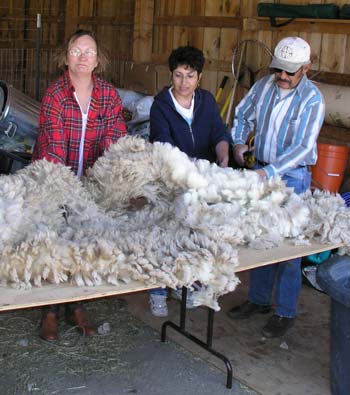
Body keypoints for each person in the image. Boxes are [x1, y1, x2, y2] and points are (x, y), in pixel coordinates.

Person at [32, 29, 127, 341]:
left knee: (84, 244)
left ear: (98, 60)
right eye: (76, 50)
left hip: (92, 183)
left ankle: (77, 306)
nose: (83, 56)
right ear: (66, 57)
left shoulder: (109, 95)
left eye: (89, 52)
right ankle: (49, 310)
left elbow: (116, 139)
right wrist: (67, 192)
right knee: (54, 242)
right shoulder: (55, 94)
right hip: (56, 180)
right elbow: (53, 148)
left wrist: (104, 179)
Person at [228, 37, 325, 338]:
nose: (282, 77)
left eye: (290, 72)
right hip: (261, 169)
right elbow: (243, 114)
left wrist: (268, 172)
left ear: (306, 68)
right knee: (261, 238)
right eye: (278, 70)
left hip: (292, 177)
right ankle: (258, 301)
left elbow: (302, 147)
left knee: (289, 248)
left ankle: (285, 311)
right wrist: (239, 142)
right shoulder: (264, 86)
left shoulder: (313, 100)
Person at [149, 45, 231, 317]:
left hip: (203, 178)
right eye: (178, 75)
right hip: (173, 179)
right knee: (167, 234)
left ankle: (185, 283)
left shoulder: (206, 101)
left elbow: (219, 133)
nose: (184, 83)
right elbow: (163, 144)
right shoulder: (161, 105)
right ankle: (159, 290)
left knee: (196, 234)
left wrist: (223, 160)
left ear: (200, 77)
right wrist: (189, 173)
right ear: (171, 75)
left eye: (190, 76)